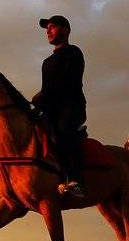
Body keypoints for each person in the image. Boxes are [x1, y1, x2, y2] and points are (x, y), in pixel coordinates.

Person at [31, 14, 87, 198]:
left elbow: (67, 83)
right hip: (50, 110)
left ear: (66, 30)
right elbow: (46, 89)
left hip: (71, 107)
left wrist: (43, 96)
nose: (48, 30)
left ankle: (76, 179)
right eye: (47, 28)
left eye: (52, 26)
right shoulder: (47, 62)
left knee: (63, 129)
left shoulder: (74, 53)